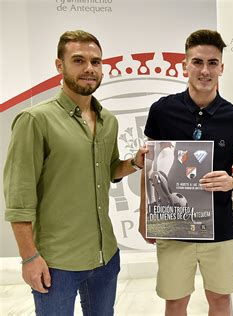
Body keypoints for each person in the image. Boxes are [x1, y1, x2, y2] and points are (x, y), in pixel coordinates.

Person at [3, 30, 147, 316]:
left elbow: (108, 169)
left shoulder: (108, 121)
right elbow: (19, 197)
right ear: (60, 65)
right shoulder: (35, 120)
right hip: (57, 263)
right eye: (79, 60)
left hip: (105, 257)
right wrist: (29, 257)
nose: (89, 68)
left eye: (95, 61)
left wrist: (135, 162)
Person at [139, 29, 233, 315]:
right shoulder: (162, 110)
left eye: (212, 63)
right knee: (176, 301)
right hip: (174, 226)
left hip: (220, 228)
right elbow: (149, 167)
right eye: (197, 62)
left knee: (219, 300)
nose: (205, 70)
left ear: (221, 67)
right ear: (184, 65)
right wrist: (144, 217)